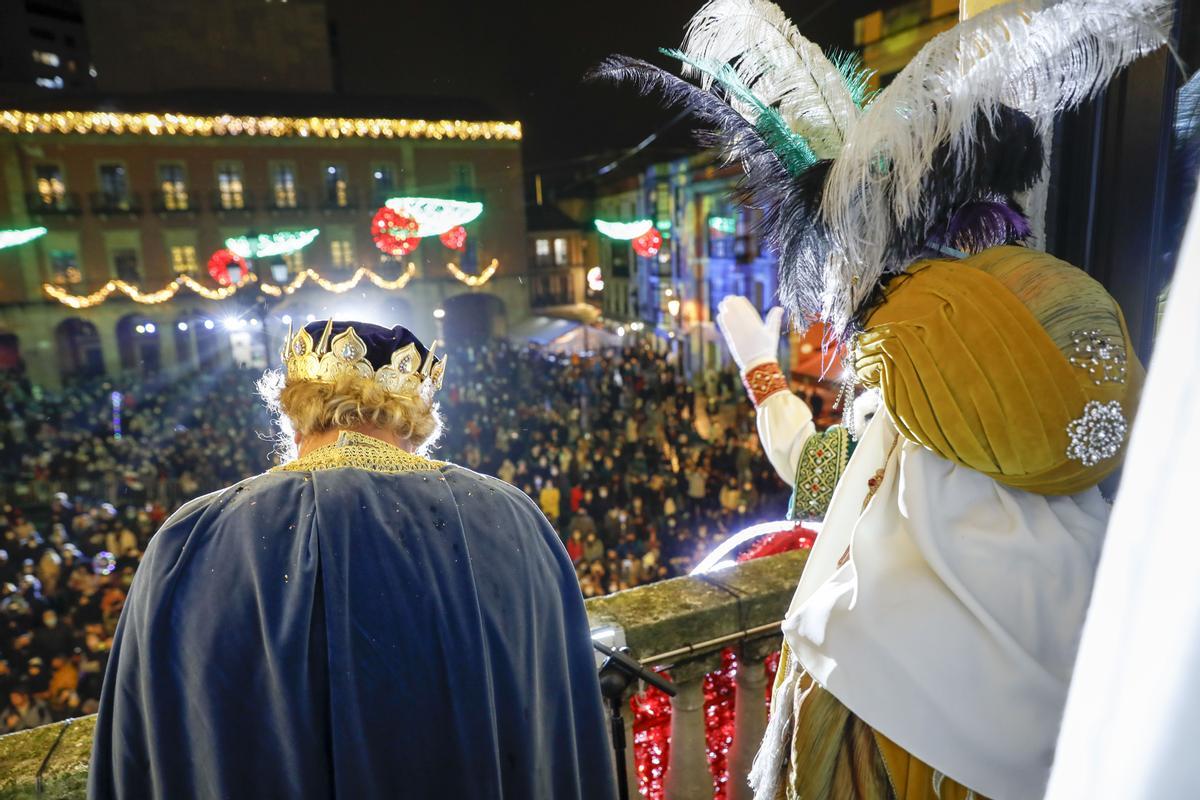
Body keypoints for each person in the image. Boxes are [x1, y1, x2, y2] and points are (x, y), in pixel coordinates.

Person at [596, 0, 1168, 797]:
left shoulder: (921, 362)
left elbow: (817, 460)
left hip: (891, 714)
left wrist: (763, 370)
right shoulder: (1082, 332)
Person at [88, 321, 616, 800]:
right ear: (416, 420)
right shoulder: (511, 516)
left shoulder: (194, 537)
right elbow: (559, 718)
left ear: (294, 415)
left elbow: (148, 737)